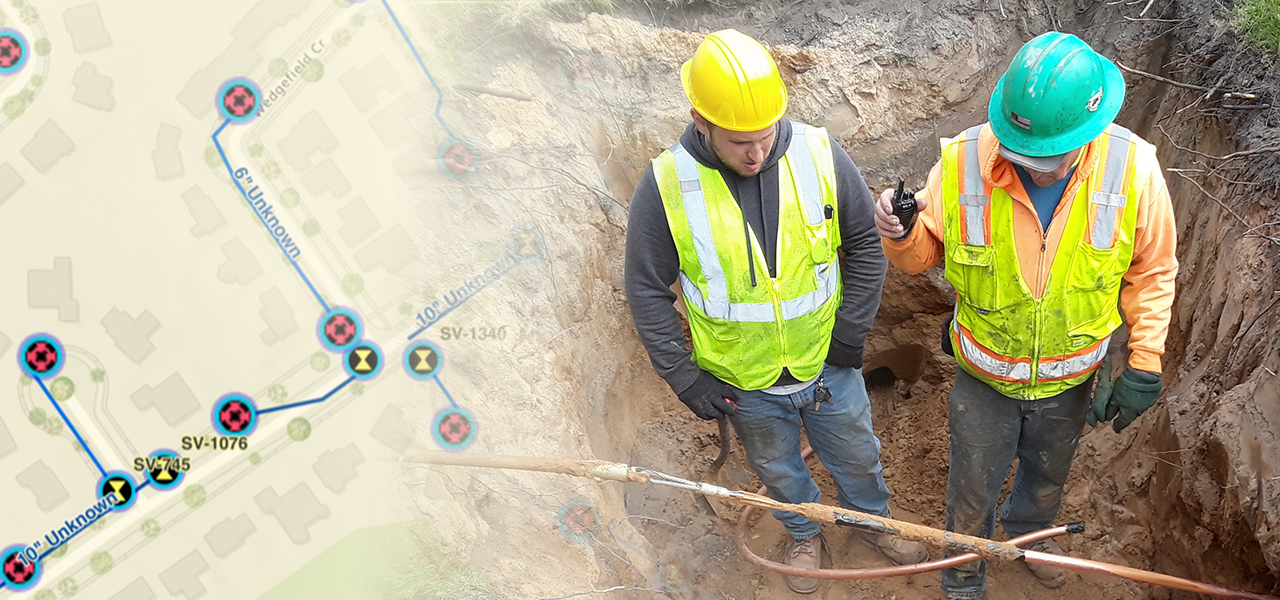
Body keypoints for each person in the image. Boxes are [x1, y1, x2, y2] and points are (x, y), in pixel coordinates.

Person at [873, 32, 1177, 599]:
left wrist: (1144, 359)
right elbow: (924, 256)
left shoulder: (1133, 169)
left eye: (1048, 159)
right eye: (1020, 156)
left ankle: (1032, 535)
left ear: (1086, 135)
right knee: (971, 489)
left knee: (1046, 476)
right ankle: (964, 576)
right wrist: (902, 234)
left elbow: (1153, 270)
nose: (1034, 169)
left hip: (1070, 378)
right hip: (984, 376)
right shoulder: (965, 161)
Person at [625, 29, 928, 594]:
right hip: (746, 381)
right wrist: (685, 376)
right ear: (700, 119)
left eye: (765, 136)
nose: (757, 153)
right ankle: (804, 530)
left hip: (828, 365)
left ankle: (869, 522)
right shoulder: (668, 184)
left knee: (858, 456)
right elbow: (645, 288)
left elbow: (864, 243)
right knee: (780, 470)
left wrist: (849, 337)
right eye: (740, 142)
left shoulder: (817, 152)